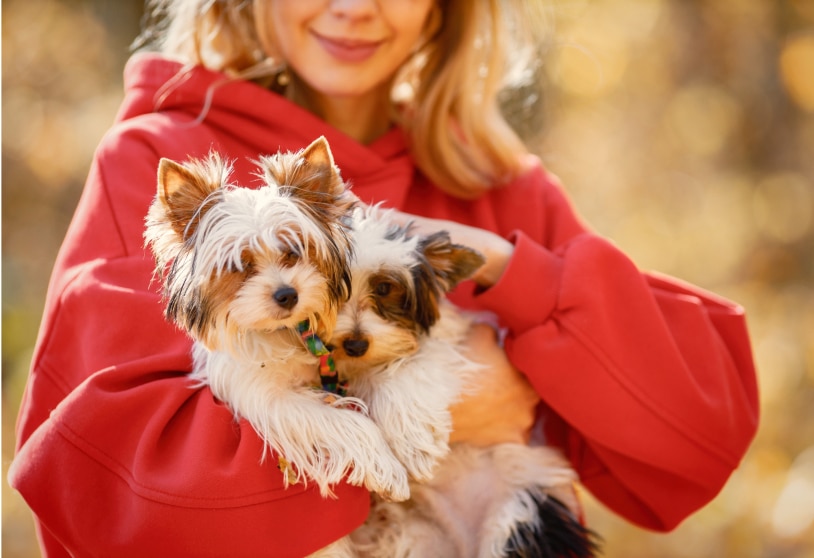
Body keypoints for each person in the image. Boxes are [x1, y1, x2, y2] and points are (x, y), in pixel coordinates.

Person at [9, 1, 759, 556]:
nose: (354, 7)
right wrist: (438, 418)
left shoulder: (491, 182)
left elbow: (700, 431)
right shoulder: (154, 162)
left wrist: (507, 266)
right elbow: (111, 501)